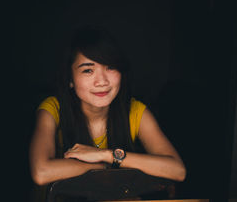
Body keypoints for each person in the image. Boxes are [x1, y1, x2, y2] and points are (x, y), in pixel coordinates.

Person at [29, 26, 186, 189]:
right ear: (70, 79)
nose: (102, 81)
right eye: (88, 70)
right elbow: (42, 173)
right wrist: (103, 166)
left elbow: (177, 170)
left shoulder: (134, 111)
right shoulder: (53, 109)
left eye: (110, 67)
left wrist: (107, 155)